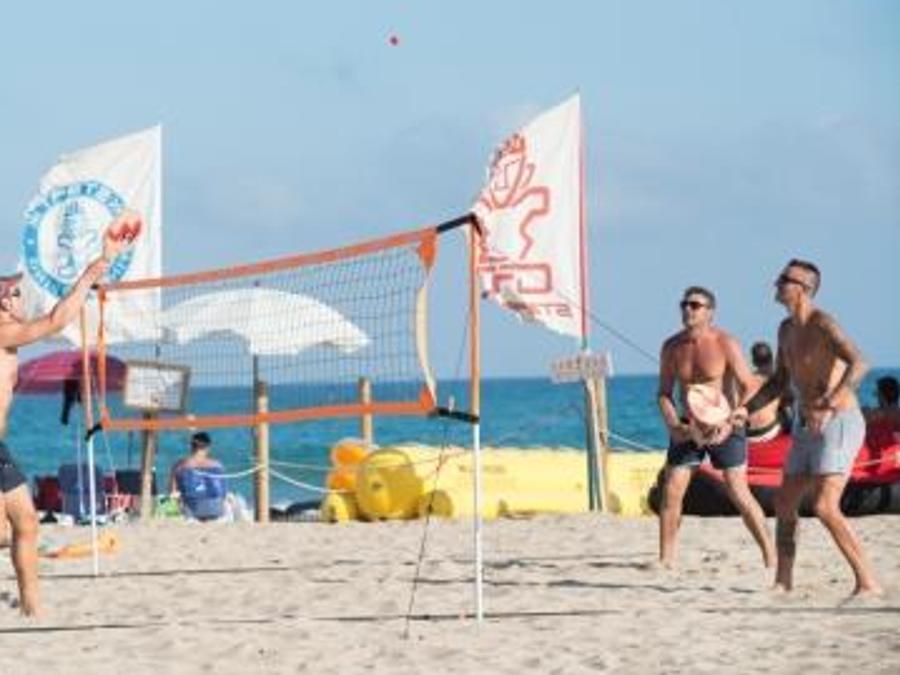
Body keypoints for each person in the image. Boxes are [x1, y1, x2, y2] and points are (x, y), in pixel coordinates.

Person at [0, 210, 141, 617]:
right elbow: (56, 319)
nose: (10, 299)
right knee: (11, 528)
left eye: (14, 293)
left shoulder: (11, 339)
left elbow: (55, 316)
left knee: (25, 525)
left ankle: (32, 612)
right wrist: (99, 265)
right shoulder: (4, 332)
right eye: (4, 295)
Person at [736, 259, 881, 595]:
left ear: (803, 289)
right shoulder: (785, 330)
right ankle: (783, 582)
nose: (776, 283)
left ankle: (867, 582)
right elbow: (779, 382)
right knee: (785, 501)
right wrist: (744, 410)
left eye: (784, 279)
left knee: (824, 507)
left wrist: (829, 403)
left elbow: (860, 362)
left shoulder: (823, 324)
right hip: (805, 425)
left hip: (839, 421)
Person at [657, 286, 775, 569]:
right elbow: (663, 393)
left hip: (725, 424)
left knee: (738, 491)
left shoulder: (725, 343)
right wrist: (673, 424)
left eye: (695, 305)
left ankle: (771, 557)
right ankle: (665, 559)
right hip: (689, 427)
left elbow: (749, 386)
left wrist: (732, 420)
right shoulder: (671, 347)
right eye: (684, 304)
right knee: (672, 489)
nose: (687, 309)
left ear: (710, 312)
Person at [169, 431, 227, 521]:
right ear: (208, 447)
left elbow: (173, 493)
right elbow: (223, 493)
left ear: (191, 447)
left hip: (192, 511)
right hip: (216, 509)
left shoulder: (180, 465)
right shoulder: (218, 465)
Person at [745, 341, 792, 443]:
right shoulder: (777, 380)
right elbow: (789, 401)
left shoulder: (746, 380)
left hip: (748, 434)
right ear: (772, 359)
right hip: (770, 432)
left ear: (753, 362)